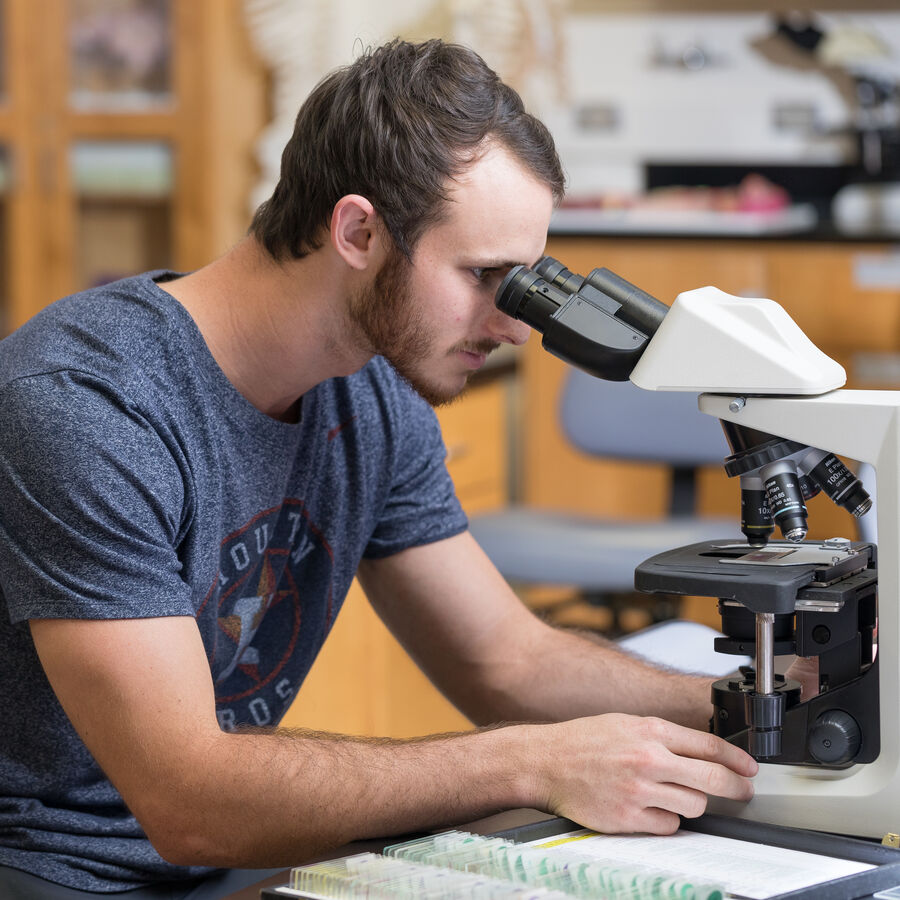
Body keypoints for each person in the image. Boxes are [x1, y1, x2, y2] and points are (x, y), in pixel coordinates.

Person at [0, 38, 756, 899]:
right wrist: (532, 761)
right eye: (484, 277)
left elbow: (505, 662)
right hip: (51, 867)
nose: (514, 326)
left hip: (217, 856)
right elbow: (188, 797)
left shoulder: (372, 396)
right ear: (358, 230)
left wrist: (761, 702)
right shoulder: (87, 404)